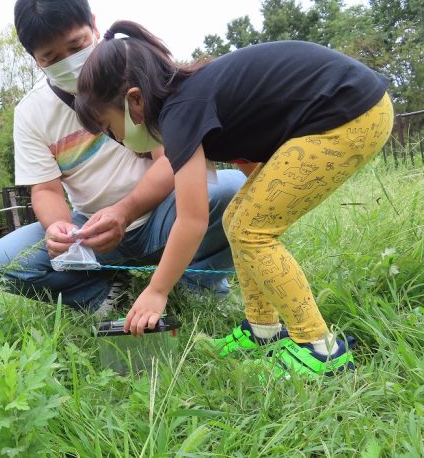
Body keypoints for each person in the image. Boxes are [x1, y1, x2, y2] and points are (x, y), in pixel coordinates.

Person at [74, 20, 393, 376]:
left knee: (249, 228)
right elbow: (252, 155)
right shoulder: (192, 100)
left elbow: (191, 219)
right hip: (350, 109)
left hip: (350, 113)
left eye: (109, 129)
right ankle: (262, 331)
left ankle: (320, 350)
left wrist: (156, 290)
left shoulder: (178, 114)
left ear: (134, 100)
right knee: (240, 220)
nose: (118, 140)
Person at [0, 0, 246, 315]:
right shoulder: (31, 112)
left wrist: (125, 211)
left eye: (76, 46)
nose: (68, 61)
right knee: (2, 261)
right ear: (35, 59)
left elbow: (170, 158)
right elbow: (46, 189)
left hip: (162, 215)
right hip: (91, 232)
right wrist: (60, 231)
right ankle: (103, 293)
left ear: (94, 26)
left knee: (230, 190)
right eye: (51, 58)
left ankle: (197, 285)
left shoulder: (134, 71)